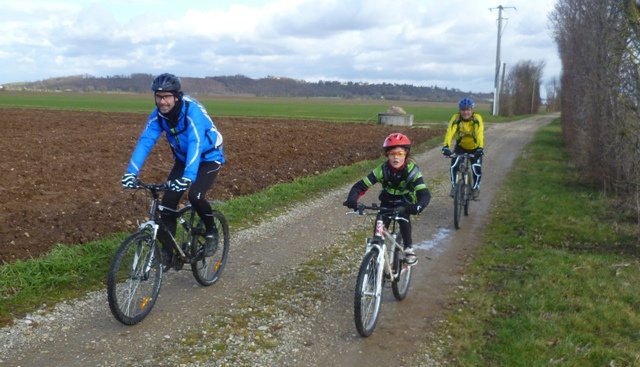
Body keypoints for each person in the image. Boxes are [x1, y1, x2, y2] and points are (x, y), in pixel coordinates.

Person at [121, 73, 225, 268]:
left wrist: (188, 177)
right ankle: (169, 252)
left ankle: (211, 231)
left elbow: (196, 142)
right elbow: (145, 142)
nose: (162, 101)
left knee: (196, 195)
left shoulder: (191, 112)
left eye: (167, 96)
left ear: (176, 96)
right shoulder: (158, 117)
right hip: (184, 160)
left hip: (208, 158)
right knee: (167, 206)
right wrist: (130, 173)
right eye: (158, 97)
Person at [343, 133, 431, 265]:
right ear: (387, 155)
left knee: (403, 217)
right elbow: (360, 186)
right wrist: (352, 200)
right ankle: (376, 260)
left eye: (400, 154)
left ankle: (408, 249)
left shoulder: (412, 171)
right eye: (392, 154)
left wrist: (418, 206)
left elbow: (424, 193)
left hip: (405, 202)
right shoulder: (382, 170)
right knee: (378, 234)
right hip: (387, 202)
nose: (396, 157)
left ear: (406, 154)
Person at [441, 97, 484, 200]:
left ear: (472, 110)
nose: (465, 112)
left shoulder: (477, 119)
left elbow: (480, 134)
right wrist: (446, 146)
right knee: (454, 166)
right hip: (461, 147)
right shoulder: (456, 118)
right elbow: (450, 132)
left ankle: (475, 188)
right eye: (463, 110)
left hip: (475, 148)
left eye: (468, 109)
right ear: (459, 110)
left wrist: (480, 148)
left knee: (476, 168)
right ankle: (454, 187)